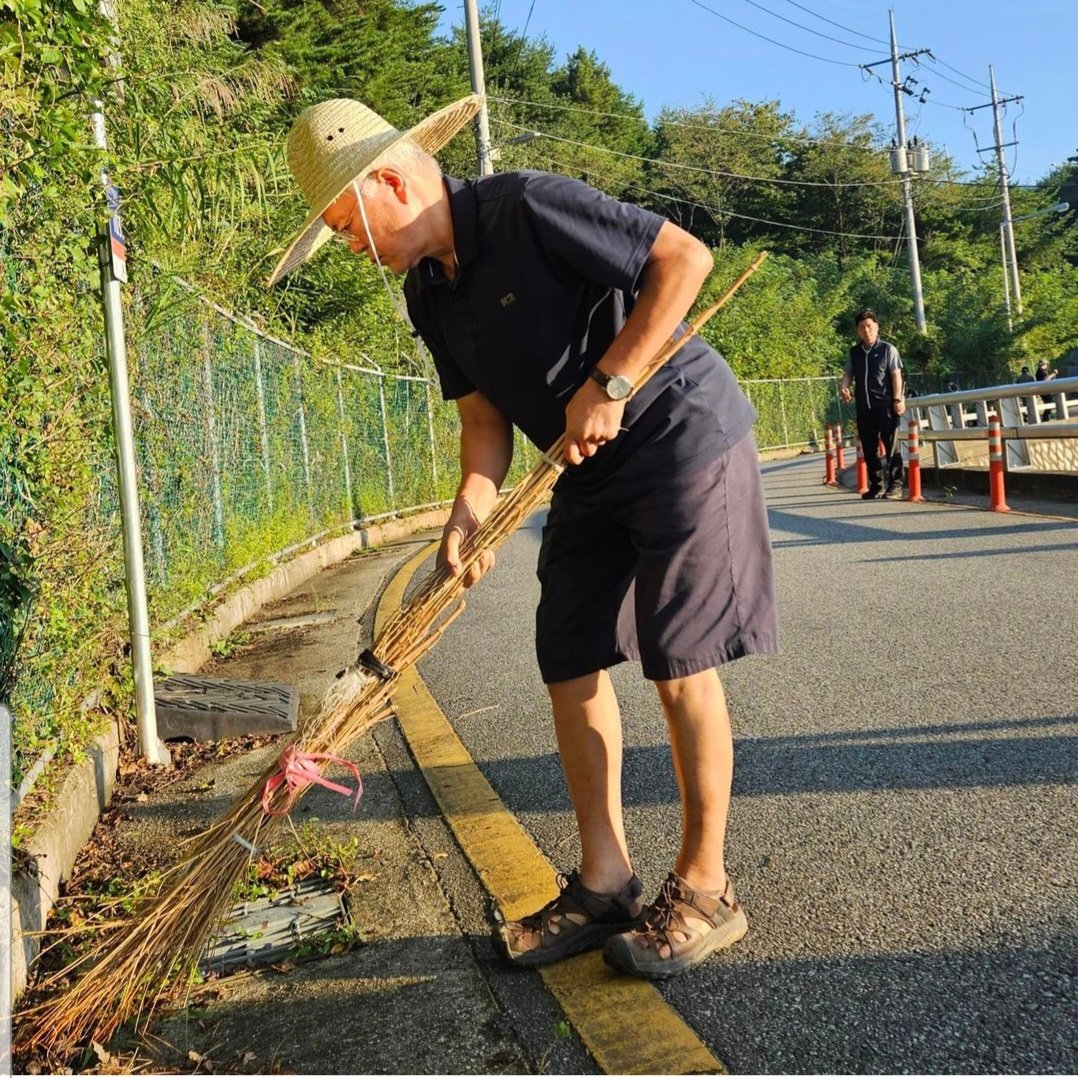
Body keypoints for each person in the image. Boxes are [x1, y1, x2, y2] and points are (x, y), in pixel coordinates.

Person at [269, 96, 778, 980]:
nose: (350, 248)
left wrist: (611, 381)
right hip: (582, 467)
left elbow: (683, 259)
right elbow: (483, 419)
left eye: (344, 226)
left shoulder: (526, 206)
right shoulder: (426, 291)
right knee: (566, 654)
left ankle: (704, 888)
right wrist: (470, 505)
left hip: (678, 435)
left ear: (387, 181)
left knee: (678, 657)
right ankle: (605, 882)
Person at [839, 309, 905, 500]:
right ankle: (876, 486)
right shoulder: (855, 352)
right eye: (862, 327)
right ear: (858, 331)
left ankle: (896, 486)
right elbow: (848, 374)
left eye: (869, 326)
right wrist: (844, 388)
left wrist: (897, 399)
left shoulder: (888, 349)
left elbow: (895, 375)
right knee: (869, 449)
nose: (866, 330)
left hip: (885, 405)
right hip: (864, 407)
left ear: (877, 327)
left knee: (891, 446)